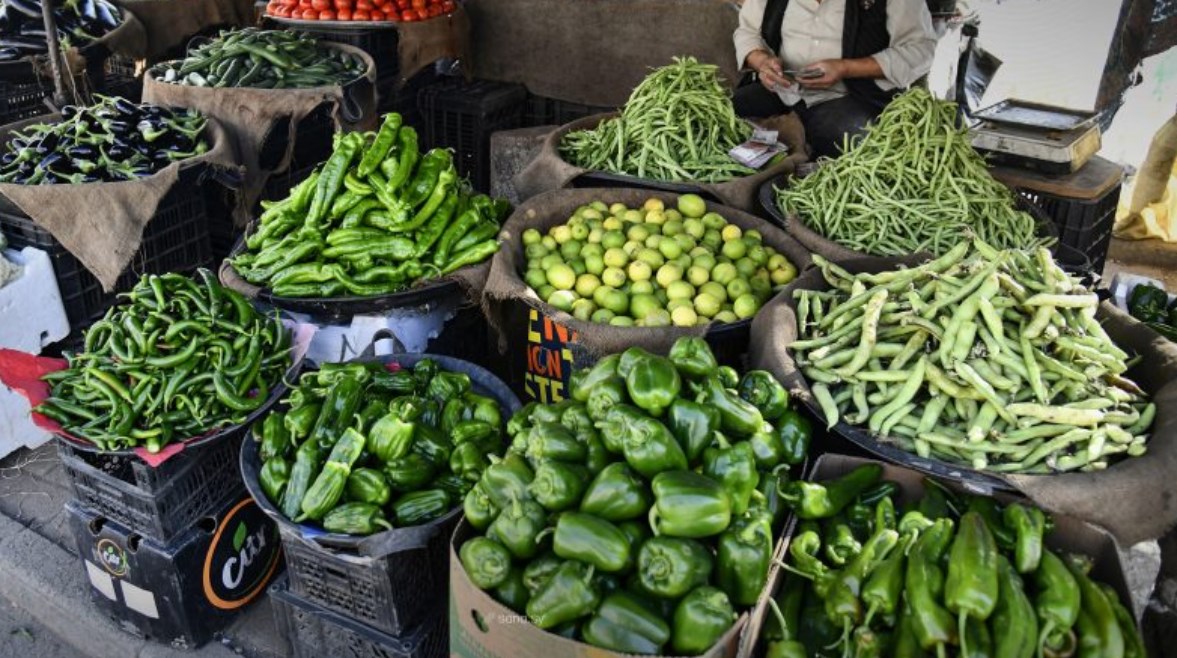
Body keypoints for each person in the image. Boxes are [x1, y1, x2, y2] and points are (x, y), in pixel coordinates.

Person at [733, 0, 937, 158]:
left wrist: (846, 68)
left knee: (861, 147)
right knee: (730, 117)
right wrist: (762, 62)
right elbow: (748, 32)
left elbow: (920, 49)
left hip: (851, 97)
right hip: (782, 91)